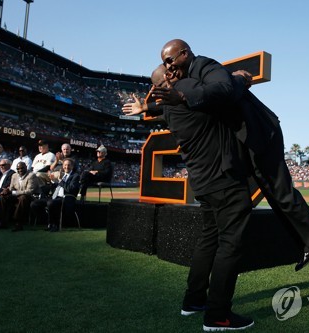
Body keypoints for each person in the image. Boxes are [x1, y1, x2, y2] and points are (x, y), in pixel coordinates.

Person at [152, 39, 309, 280]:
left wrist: (235, 80)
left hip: (261, 134)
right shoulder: (190, 77)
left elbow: (224, 89)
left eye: (169, 60)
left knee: (283, 195)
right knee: (274, 197)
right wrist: (149, 107)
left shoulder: (206, 66)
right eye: (163, 63)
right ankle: (306, 243)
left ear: (185, 54)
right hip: (247, 141)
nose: (167, 67)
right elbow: (200, 96)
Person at [123, 65, 254, 331]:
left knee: (208, 240)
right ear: (170, 79)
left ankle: (193, 301)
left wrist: (145, 109)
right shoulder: (188, 93)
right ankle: (218, 315)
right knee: (230, 244)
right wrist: (240, 78)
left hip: (202, 183)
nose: (180, 72)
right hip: (224, 179)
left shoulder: (171, 107)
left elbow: (168, 105)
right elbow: (223, 91)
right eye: (173, 70)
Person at [30, 158, 80, 232]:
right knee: (34, 204)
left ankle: (55, 225)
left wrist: (60, 180)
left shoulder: (75, 176)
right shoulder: (63, 175)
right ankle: (47, 222)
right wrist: (53, 181)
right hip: (55, 197)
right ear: (63, 166)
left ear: (72, 166)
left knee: (51, 203)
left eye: (69, 165)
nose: (67, 167)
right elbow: (58, 186)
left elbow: (70, 189)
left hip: (66, 199)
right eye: (65, 165)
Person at [0, 162, 40, 231]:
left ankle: (18, 222)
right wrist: (7, 191)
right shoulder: (14, 175)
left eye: (22, 168)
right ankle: (2, 222)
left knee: (22, 198)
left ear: (26, 167)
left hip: (30, 197)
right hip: (17, 195)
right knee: (3, 197)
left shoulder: (31, 175)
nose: (20, 170)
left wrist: (14, 192)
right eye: (18, 169)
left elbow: (29, 191)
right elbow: (11, 188)